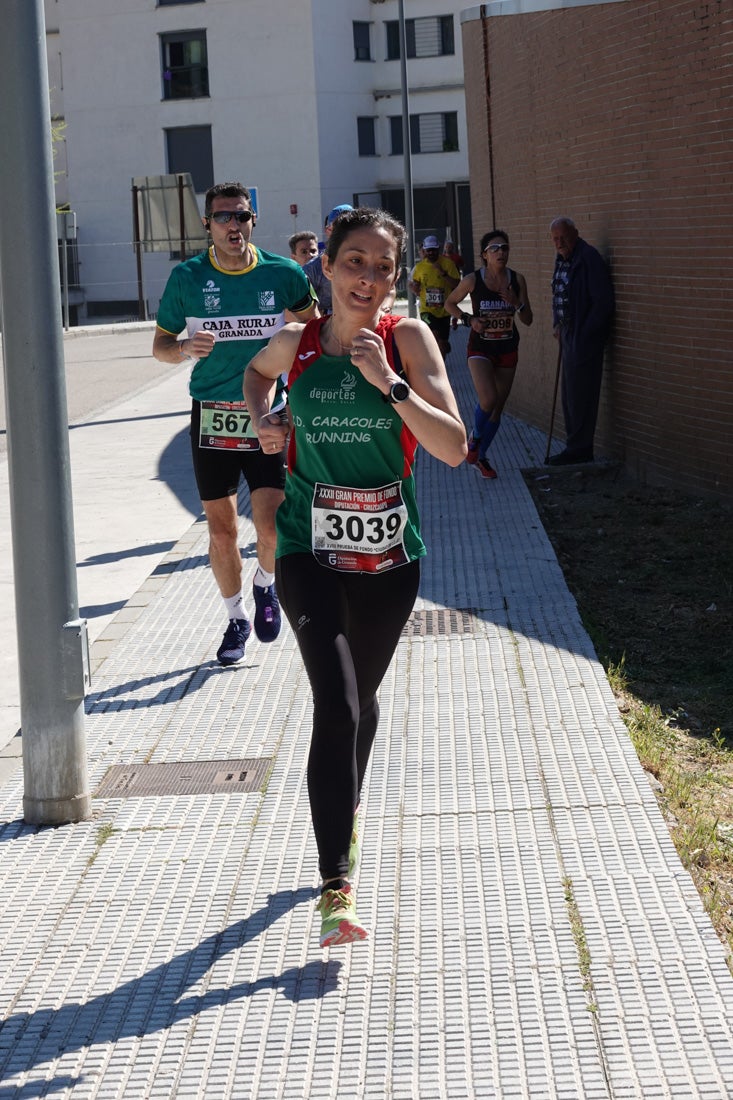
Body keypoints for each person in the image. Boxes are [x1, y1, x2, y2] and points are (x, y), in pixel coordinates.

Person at [244, 207, 466, 947]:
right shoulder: (297, 343)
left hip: (389, 561)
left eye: (381, 267)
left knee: (360, 700)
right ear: (327, 268)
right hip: (308, 547)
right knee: (334, 702)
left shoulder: (407, 340)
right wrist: (263, 422)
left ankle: (344, 804)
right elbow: (253, 376)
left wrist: (389, 386)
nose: (368, 278)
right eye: (354, 262)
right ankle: (336, 884)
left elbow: (454, 447)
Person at [153, 181, 317, 666]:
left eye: (242, 217)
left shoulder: (283, 273)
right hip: (211, 418)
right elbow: (160, 346)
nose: (234, 225)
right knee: (222, 533)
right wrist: (183, 348)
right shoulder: (187, 278)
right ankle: (235, 618)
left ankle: (265, 584)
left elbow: (318, 330)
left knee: (269, 527)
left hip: (266, 415)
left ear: (252, 222)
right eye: (223, 217)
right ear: (207, 225)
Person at [446, 229, 533, 479]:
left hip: (507, 348)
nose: (501, 252)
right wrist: (468, 319)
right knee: (488, 399)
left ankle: (480, 456)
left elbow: (528, 320)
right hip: (480, 348)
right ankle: (473, 440)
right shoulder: (474, 279)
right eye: (495, 249)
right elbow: (449, 303)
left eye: (504, 248)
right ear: (485, 255)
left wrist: (517, 303)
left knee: (497, 409)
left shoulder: (518, 280)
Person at [547, 216, 614, 465]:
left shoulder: (588, 258)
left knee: (581, 394)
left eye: (563, 237)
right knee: (570, 395)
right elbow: (558, 293)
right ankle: (574, 446)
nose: (559, 242)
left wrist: (586, 333)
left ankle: (580, 448)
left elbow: (603, 302)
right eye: (555, 239)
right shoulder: (562, 259)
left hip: (583, 336)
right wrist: (557, 323)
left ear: (575, 233)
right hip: (567, 333)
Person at [408, 235, 460, 359]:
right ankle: (433, 362)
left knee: (442, 344)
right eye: (428, 250)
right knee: (434, 336)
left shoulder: (448, 264)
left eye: (434, 250)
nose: (431, 253)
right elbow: (412, 283)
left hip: (444, 311)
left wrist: (443, 273)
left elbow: (457, 284)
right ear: (424, 251)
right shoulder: (420, 267)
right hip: (427, 310)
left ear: (439, 249)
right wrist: (415, 288)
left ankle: (441, 365)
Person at [303, 204, 354, 313]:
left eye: (351, 228)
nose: (345, 233)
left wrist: (385, 306)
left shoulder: (369, 261)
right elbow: (299, 304)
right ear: (328, 230)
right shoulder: (314, 268)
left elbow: (389, 290)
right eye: (339, 228)